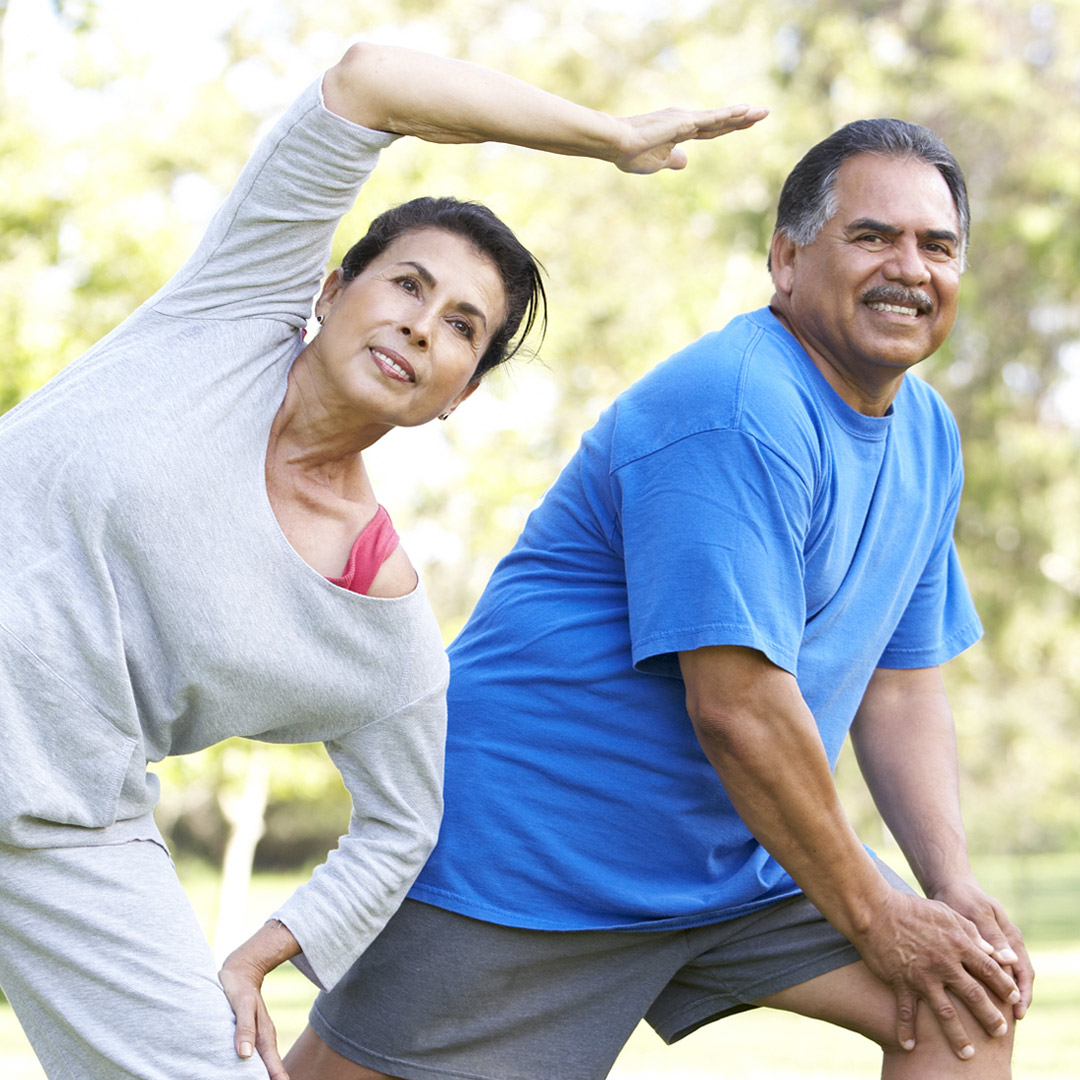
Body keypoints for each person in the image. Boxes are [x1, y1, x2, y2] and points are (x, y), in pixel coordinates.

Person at [0, 41, 767, 1080]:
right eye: (408, 283)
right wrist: (610, 136)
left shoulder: (379, 618)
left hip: (60, 833)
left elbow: (403, 824)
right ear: (330, 288)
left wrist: (272, 949)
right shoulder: (226, 314)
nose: (420, 321)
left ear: (457, 393)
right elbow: (370, 82)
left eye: (463, 327)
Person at [285, 119, 1034, 1080]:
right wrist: (879, 916)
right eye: (872, 236)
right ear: (787, 259)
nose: (909, 267)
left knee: (963, 1000)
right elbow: (738, 710)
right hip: (530, 853)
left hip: (739, 861)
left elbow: (900, 682)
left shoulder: (926, 435)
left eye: (937, 246)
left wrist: (948, 888)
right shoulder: (737, 407)